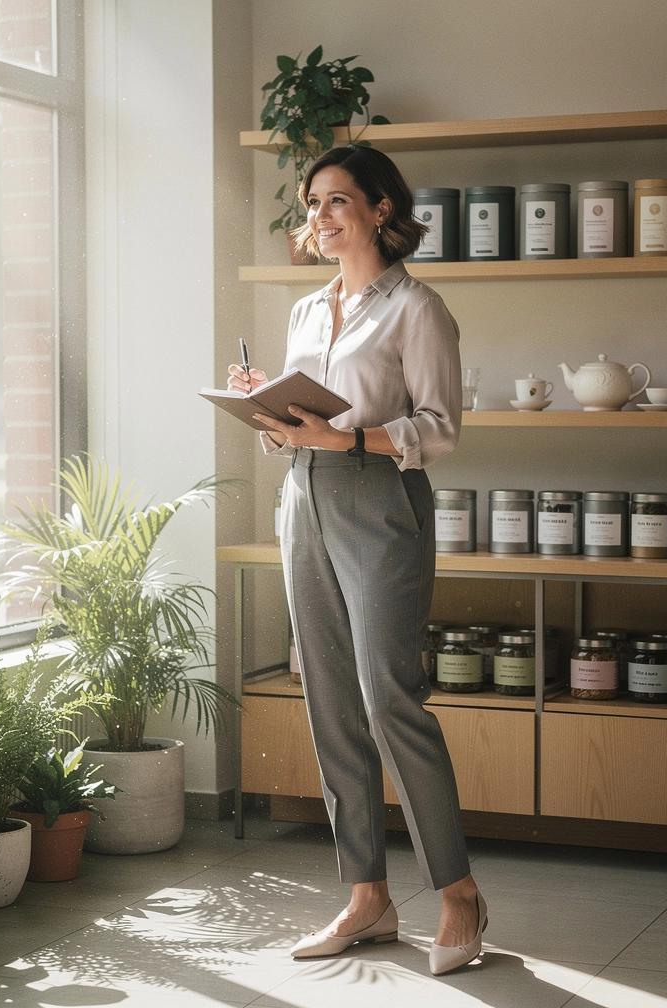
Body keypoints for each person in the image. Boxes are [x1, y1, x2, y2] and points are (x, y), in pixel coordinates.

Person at [227, 145, 486, 977]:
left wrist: (345, 436)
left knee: (390, 700)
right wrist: (269, 411)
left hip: (380, 504)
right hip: (304, 501)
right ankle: (367, 896)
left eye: (339, 201)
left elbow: (439, 430)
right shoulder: (307, 312)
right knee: (332, 700)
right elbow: (304, 428)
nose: (323, 216)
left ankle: (459, 894)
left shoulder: (419, 310)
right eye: (314, 203)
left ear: (381, 209)